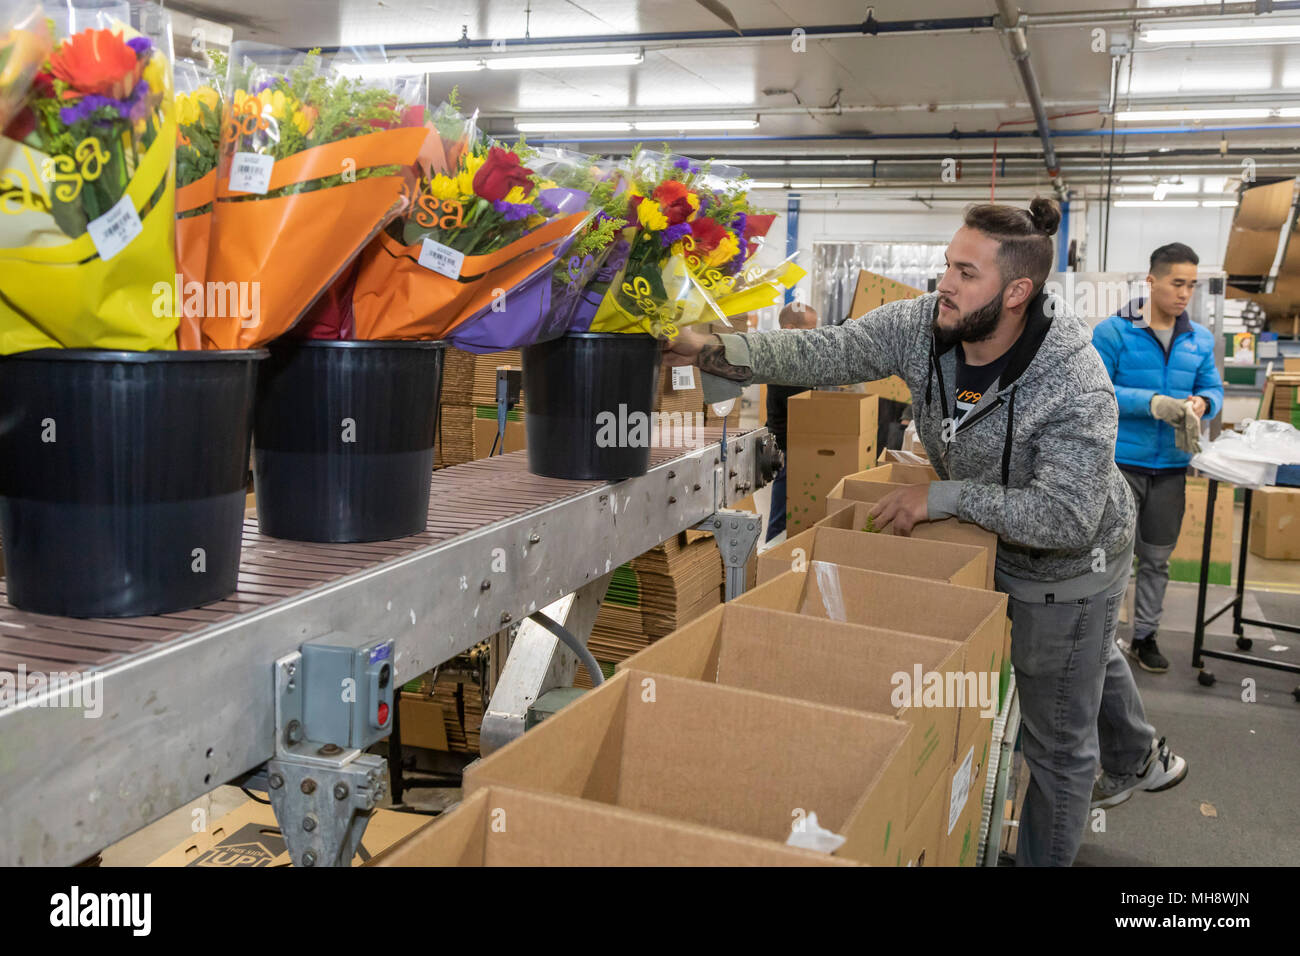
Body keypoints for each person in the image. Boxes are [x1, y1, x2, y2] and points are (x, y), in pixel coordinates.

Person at [665, 199, 1187, 866]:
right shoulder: (924, 325)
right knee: (1084, 661)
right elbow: (829, 349)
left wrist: (942, 496)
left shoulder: (1074, 381)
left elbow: (1065, 519)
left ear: (1017, 291)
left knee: (1057, 742)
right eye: (947, 264)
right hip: (1000, 536)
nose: (945, 282)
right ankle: (1138, 753)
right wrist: (717, 349)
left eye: (966, 273)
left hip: (1068, 566)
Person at [1092, 244, 1224, 674]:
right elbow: (1097, 391)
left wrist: (1204, 403)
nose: (1185, 293)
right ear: (1151, 282)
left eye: (1191, 284)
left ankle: (1144, 636)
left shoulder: (1199, 339)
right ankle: (1099, 637)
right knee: (1112, 557)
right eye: (1177, 283)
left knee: (1156, 559)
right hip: (1121, 465)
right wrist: (1151, 402)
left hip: (1170, 469)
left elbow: (1214, 389)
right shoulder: (1114, 332)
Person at [763, 301, 819, 543]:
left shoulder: (798, 358)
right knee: (782, 517)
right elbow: (803, 409)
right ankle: (772, 565)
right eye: (809, 329)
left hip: (796, 445)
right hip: (787, 448)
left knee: (793, 513)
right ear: (788, 329)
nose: (815, 335)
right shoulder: (786, 361)